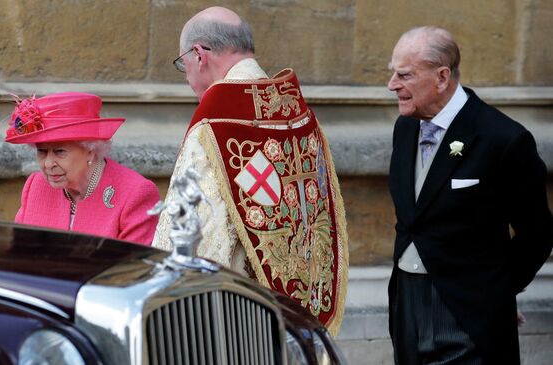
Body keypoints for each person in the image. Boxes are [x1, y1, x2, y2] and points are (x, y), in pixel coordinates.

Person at [152, 6, 348, 336]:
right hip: (300, 312)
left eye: (182, 64)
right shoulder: (299, 114)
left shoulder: (215, 122)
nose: (186, 77)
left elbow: (197, 229)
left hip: (243, 319)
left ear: (199, 55)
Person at [387, 26, 553, 364]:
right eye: (393, 73)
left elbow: (537, 234)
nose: (392, 84)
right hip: (406, 302)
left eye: (404, 75)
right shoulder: (405, 127)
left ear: (442, 77)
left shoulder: (503, 139)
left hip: (467, 316)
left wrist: (494, 294)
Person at [5, 92, 160, 245]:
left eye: (60, 152)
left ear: (90, 152)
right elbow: (18, 253)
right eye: (42, 152)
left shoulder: (135, 193)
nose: (48, 164)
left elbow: (132, 267)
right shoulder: (36, 185)